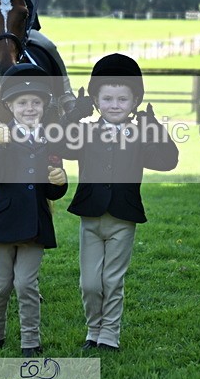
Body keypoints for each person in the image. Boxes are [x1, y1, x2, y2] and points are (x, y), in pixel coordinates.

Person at [59, 53, 179, 351]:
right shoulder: (85, 132)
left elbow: (168, 161)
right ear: (96, 101)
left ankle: (108, 335)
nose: (115, 105)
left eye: (122, 99)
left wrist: (155, 128)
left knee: (112, 280)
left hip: (123, 218)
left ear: (135, 101)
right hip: (91, 216)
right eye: (107, 98)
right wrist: (74, 114)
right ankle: (93, 329)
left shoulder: (140, 134)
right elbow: (56, 143)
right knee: (90, 283)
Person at [0, 63, 68, 358]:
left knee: (27, 284)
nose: (29, 108)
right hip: (4, 222)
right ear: (9, 105)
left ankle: (31, 340)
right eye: (22, 103)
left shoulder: (51, 138)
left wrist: (59, 182)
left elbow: (53, 187)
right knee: (1, 285)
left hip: (35, 223)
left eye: (35, 103)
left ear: (43, 106)